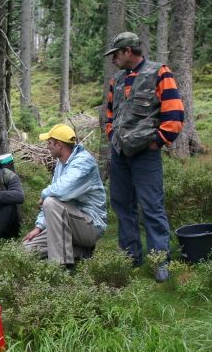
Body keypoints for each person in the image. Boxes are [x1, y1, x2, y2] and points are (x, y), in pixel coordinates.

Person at [103, 31, 184, 282]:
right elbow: (109, 114)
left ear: (128, 51)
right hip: (120, 155)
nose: (113, 59)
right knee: (122, 205)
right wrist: (111, 135)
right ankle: (131, 258)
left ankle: (160, 261)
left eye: (115, 54)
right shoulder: (116, 80)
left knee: (152, 207)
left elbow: (175, 113)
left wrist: (157, 142)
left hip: (145, 156)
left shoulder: (160, 72)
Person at [23, 124, 107, 267]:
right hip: (66, 222)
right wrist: (39, 227)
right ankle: (80, 252)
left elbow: (62, 190)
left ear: (59, 145)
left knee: (50, 201)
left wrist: (44, 194)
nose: (47, 146)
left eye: (49, 143)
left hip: (90, 226)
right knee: (26, 249)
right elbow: (55, 198)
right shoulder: (60, 164)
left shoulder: (83, 162)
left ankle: (59, 266)